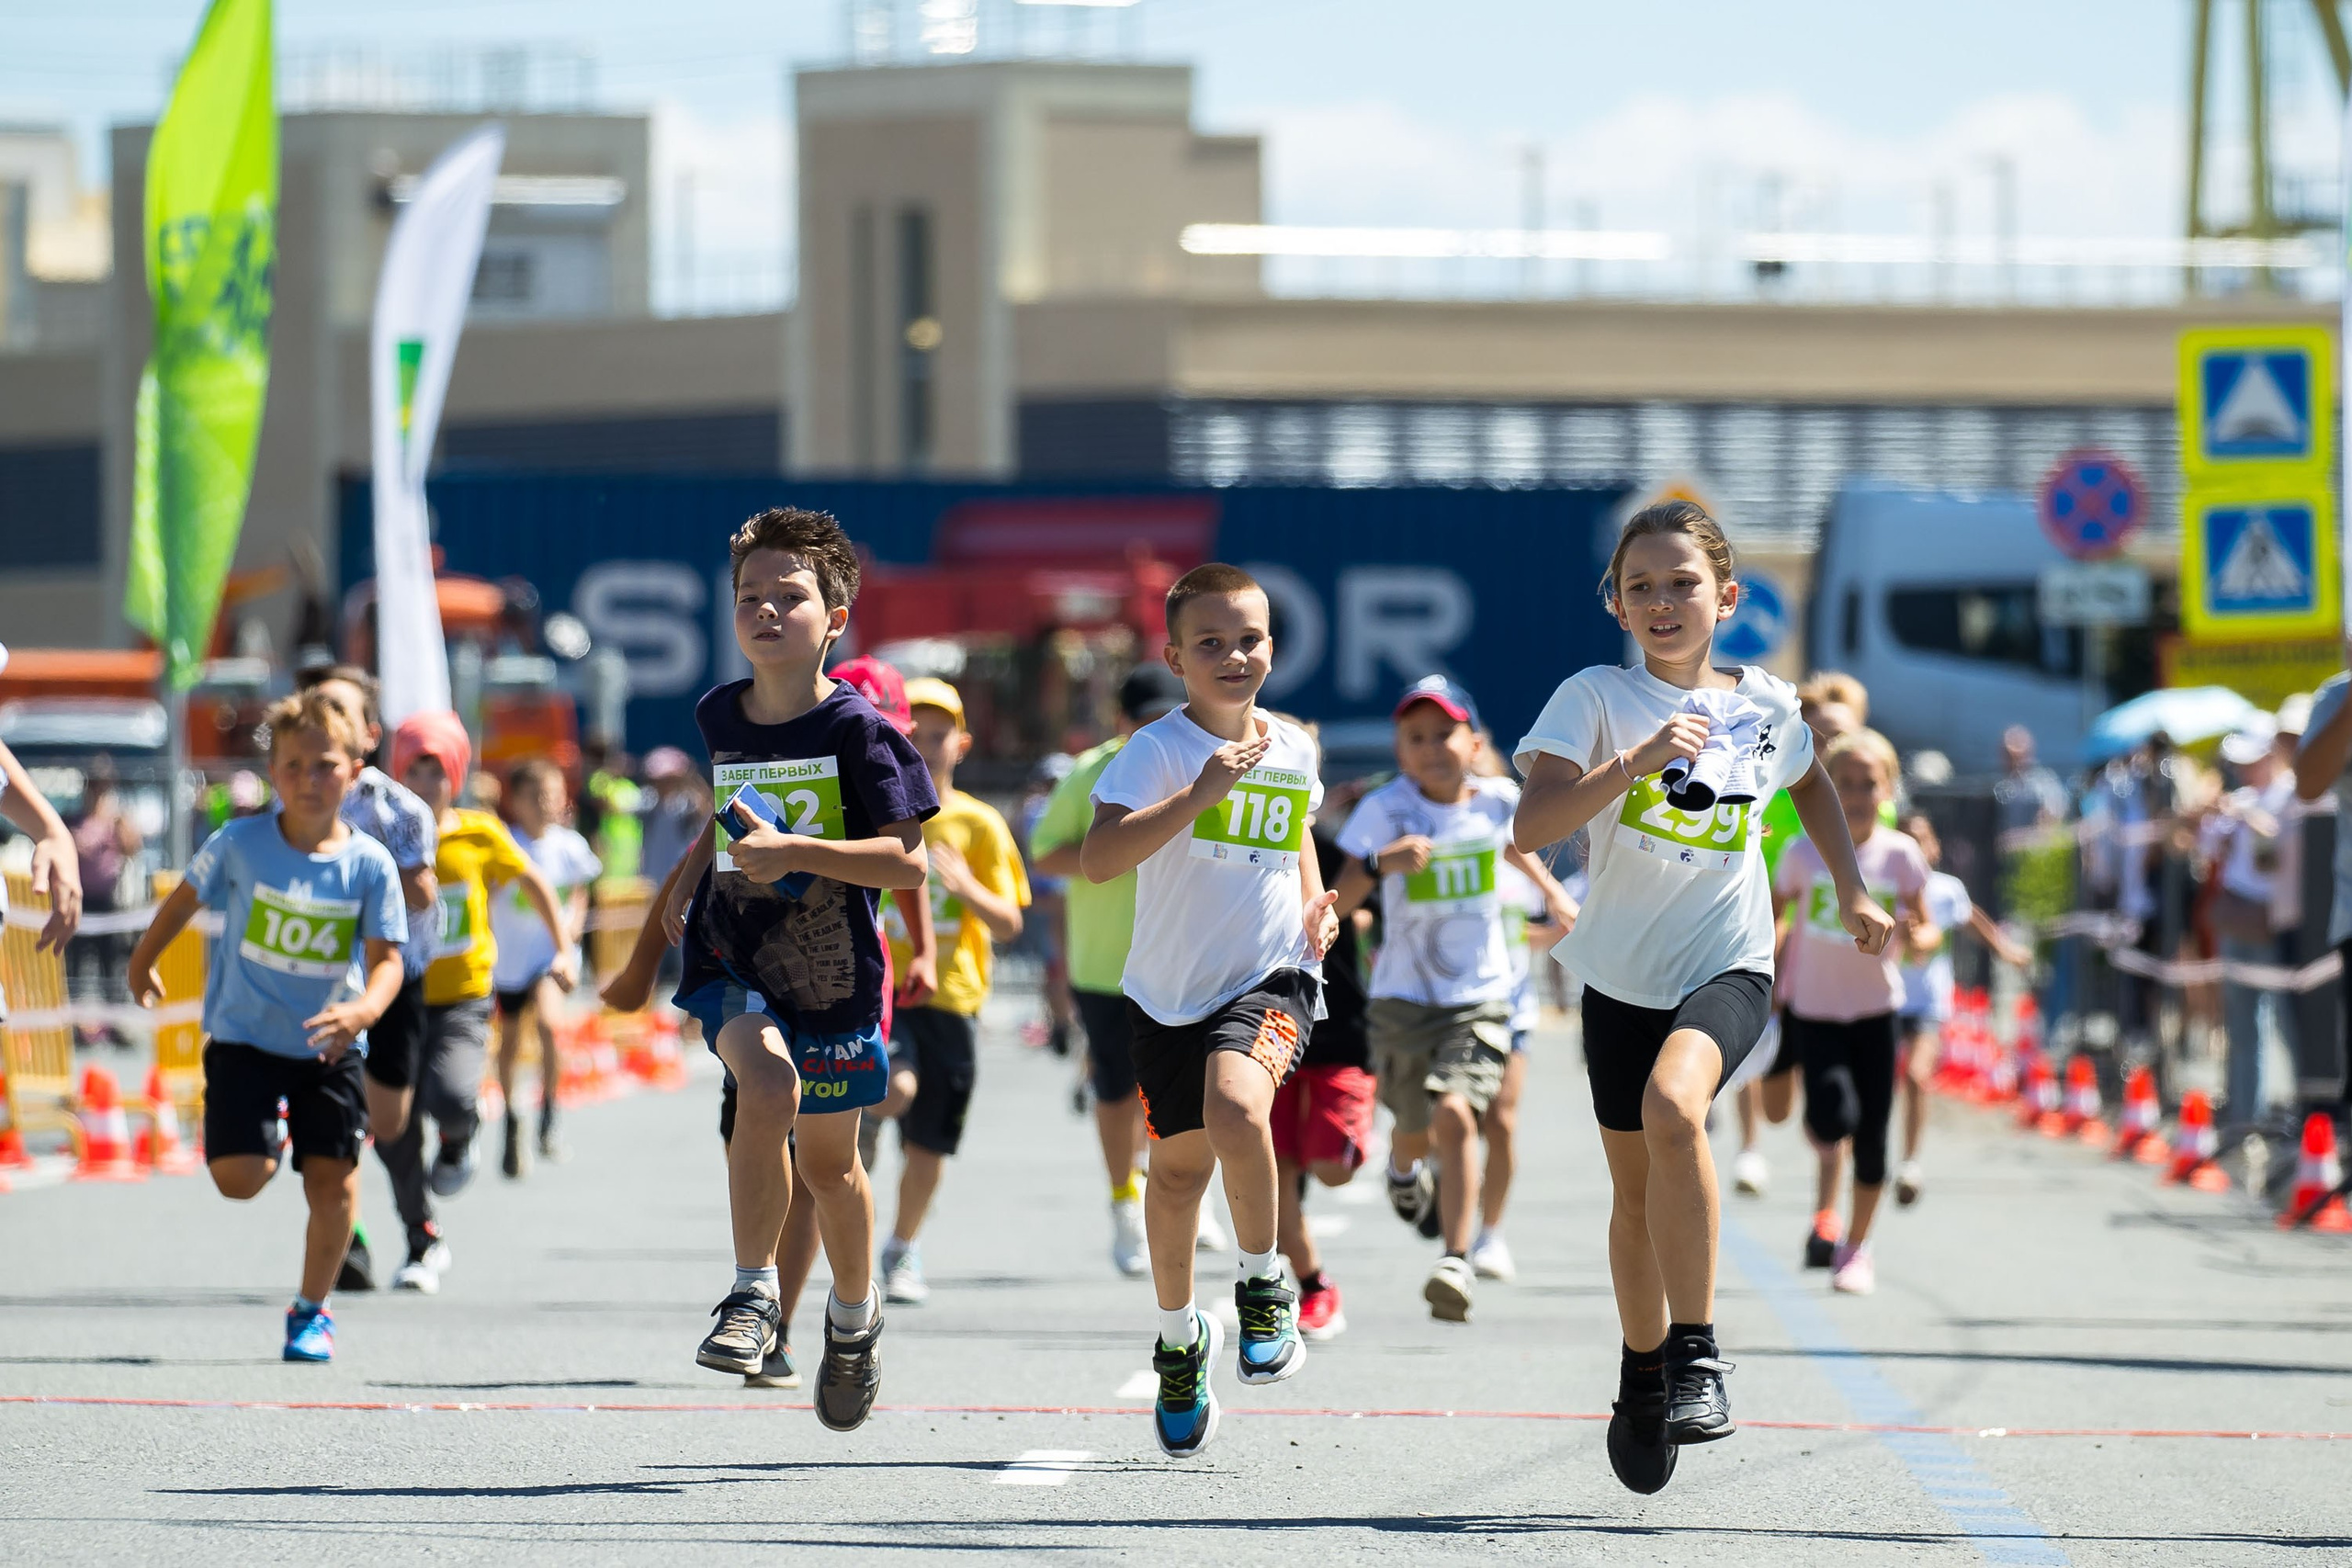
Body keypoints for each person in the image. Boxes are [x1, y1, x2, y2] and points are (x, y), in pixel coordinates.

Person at [1512, 499, 1891, 1495]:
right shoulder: (1592, 697)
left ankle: (1696, 1352)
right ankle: (1642, 1378)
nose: (1662, 600)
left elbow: (1808, 778)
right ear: (1618, 606)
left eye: (1681, 582)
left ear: (1726, 596)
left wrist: (1849, 886)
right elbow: (1530, 825)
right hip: (1619, 975)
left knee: (1675, 1106)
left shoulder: (1766, 702)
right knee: (1633, 1199)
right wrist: (1633, 763)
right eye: (1640, 586)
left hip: (1729, 959)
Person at [660, 507, 936, 1432]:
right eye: (750, 597)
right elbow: (733, 812)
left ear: (837, 615)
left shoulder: (862, 735)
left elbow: (907, 864)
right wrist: (690, 877)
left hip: (833, 975)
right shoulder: (717, 712)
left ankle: (852, 1324)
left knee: (832, 1168)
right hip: (733, 954)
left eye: (791, 596)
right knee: (764, 1090)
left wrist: (802, 851)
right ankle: (751, 1296)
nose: (767, 611)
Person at [1080, 562, 1341, 1459]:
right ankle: (1179, 1338)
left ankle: (1266, 1285)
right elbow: (1100, 859)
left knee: (1238, 1104)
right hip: (1165, 995)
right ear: (1176, 656)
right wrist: (1196, 798)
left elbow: (1297, 830)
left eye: (1250, 640)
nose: (1234, 656)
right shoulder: (1155, 751)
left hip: (1269, 978)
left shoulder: (1294, 747)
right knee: (1179, 1176)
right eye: (1211, 644)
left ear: (1273, 644)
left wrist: (1318, 902)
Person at [124, 691, 406, 1361]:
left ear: (356, 769)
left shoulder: (368, 862)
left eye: (326, 765)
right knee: (238, 1178)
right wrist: (142, 963)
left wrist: (363, 1010)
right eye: (294, 765)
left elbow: (388, 961)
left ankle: (311, 1310)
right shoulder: (241, 843)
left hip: (328, 1045)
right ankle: (269, 1132)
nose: (310, 780)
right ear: (273, 772)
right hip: (245, 1038)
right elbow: (182, 901)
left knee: (333, 1181)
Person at [1335, 674, 1576, 1323]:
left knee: (1461, 1113)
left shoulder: (1500, 801)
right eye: (1415, 737)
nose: (1431, 747)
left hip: (1482, 994)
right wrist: (1381, 865)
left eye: (1445, 733)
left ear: (1474, 741)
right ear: (1399, 747)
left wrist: (1553, 894)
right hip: (1403, 997)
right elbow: (1343, 896)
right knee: (1413, 1128)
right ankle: (1406, 1170)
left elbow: (1516, 848)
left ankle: (1458, 1253)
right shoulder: (1385, 810)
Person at [1031, 662, 1224, 1278]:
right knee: (1117, 1093)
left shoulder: (1204, 762)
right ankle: (1124, 1203)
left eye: (1169, 714)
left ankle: (1193, 1192)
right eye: (1145, 719)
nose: (1159, 728)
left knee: (1200, 1093)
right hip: (1107, 966)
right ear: (1121, 723)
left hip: (1187, 959)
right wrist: (1116, 845)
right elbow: (1047, 854)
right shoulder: (1093, 772)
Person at [383, 710, 574, 1293]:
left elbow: (536, 881)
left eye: (437, 771)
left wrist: (564, 948)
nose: (426, 783)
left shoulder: (478, 832)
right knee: (391, 1126)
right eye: (414, 770)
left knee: (453, 1093)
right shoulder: (375, 834)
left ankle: (460, 1136)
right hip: (391, 996)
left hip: (463, 995)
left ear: (457, 777)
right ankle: (421, 1237)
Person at [872, 676, 1030, 1306]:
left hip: (952, 996)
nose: (926, 746)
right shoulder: (876, 808)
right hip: (881, 987)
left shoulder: (979, 823)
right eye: (913, 733)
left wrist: (965, 888)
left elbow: (1011, 923)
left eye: (938, 735)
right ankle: (860, 1121)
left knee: (930, 1142)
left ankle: (902, 1245)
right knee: (896, 1087)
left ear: (961, 744)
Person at [1770, 728, 1931, 1295]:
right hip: (1814, 1010)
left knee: (1872, 1141)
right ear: (1828, 788)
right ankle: (1828, 1205)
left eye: (1870, 783)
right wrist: (1768, 963)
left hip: (1875, 1012)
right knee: (1832, 1115)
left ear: (1888, 789)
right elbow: (1776, 911)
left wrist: (1920, 937)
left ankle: (1856, 1249)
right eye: (1846, 783)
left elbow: (1926, 926)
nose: (1859, 794)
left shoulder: (1900, 854)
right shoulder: (1803, 853)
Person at [298, 665, 441, 1292]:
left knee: (387, 1121)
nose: (323, 722)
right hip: (321, 979)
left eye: (339, 711)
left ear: (368, 733)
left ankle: (420, 1226)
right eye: (314, 709)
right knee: (329, 1113)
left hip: (394, 976)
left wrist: (366, 865)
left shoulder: (399, 807)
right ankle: (346, 1236)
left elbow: (421, 896)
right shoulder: (289, 797)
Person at [1733, 687, 1865, 1198]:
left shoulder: (1876, 800)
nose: (1834, 744)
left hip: (1834, 960)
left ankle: (1827, 1208)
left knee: (1835, 1092)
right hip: (1761, 936)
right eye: (1822, 735)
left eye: (1844, 733)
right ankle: (1750, 1147)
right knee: (1756, 1061)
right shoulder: (1786, 791)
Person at [1277, 772, 1376, 1340]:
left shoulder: (1346, 856)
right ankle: (1312, 1283)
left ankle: (1377, 1137)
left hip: (1340, 1033)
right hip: (1268, 1025)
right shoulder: (1223, 856)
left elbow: (1370, 918)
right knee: (1275, 1171)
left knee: (1331, 1168)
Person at [1893, 810, 2030, 1204]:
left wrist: (2006, 950)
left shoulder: (1946, 889)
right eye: (1906, 839)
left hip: (1927, 1003)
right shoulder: (1879, 881)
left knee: (1918, 1077)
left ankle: (1910, 1162)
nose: (1915, 847)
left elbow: (1975, 921)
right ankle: (1863, 1156)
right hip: (1882, 997)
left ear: (1935, 847)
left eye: (1922, 838)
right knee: (1874, 1087)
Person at [491, 758, 602, 1175]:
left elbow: (578, 893)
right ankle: (511, 1119)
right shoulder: (505, 844)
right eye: (535, 797)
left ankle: (549, 1117)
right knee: (510, 1042)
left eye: (553, 797)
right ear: (515, 801)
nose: (546, 805)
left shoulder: (569, 845)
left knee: (551, 1026)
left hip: (551, 957)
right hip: (508, 961)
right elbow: (485, 895)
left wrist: (570, 928)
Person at [2203, 717, 2296, 1126]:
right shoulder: (2240, 797)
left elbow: (2274, 860)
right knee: (2241, 1024)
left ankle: (2302, 1111)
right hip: (2238, 919)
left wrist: (2252, 821)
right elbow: (2204, 849)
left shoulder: (2289, 794)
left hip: (2275, 921)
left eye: (2252, 760)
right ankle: (2245, 1115)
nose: (2244, 770)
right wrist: (2215, 820)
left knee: (2285, 1022)